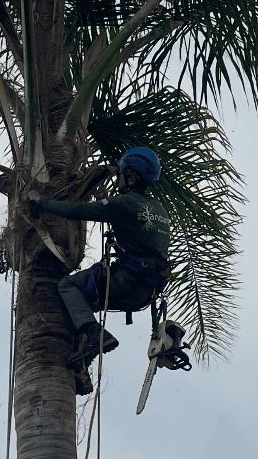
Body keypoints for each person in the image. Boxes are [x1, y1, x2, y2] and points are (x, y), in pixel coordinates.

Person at [29, 147, 172, 377]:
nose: (118, 180)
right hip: (148, 289)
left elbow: (77, 210)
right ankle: (82, 358)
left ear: (131, 176)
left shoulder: (125, 203)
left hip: (127, 279)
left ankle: (95, 334)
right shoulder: (161, 210)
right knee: (78, 307)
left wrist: (42, 204)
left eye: (121, 175)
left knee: (68, 286)